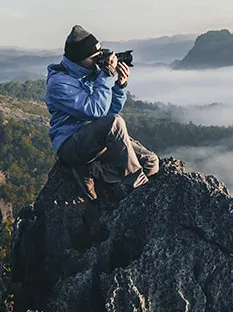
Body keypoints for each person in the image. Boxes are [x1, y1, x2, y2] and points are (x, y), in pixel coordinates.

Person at [45, 25, 159, 199]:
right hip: (71, 144)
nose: (99, 61)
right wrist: (105, 76)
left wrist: (120, 86)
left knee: (150, 163)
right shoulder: (60, 83)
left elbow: (108, 112)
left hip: (97, 140)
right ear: (78, 59)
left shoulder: (91, 72)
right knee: (115, 122)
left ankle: (95, 171)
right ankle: (137, 188)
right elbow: (96, 112)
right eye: (94, 58)